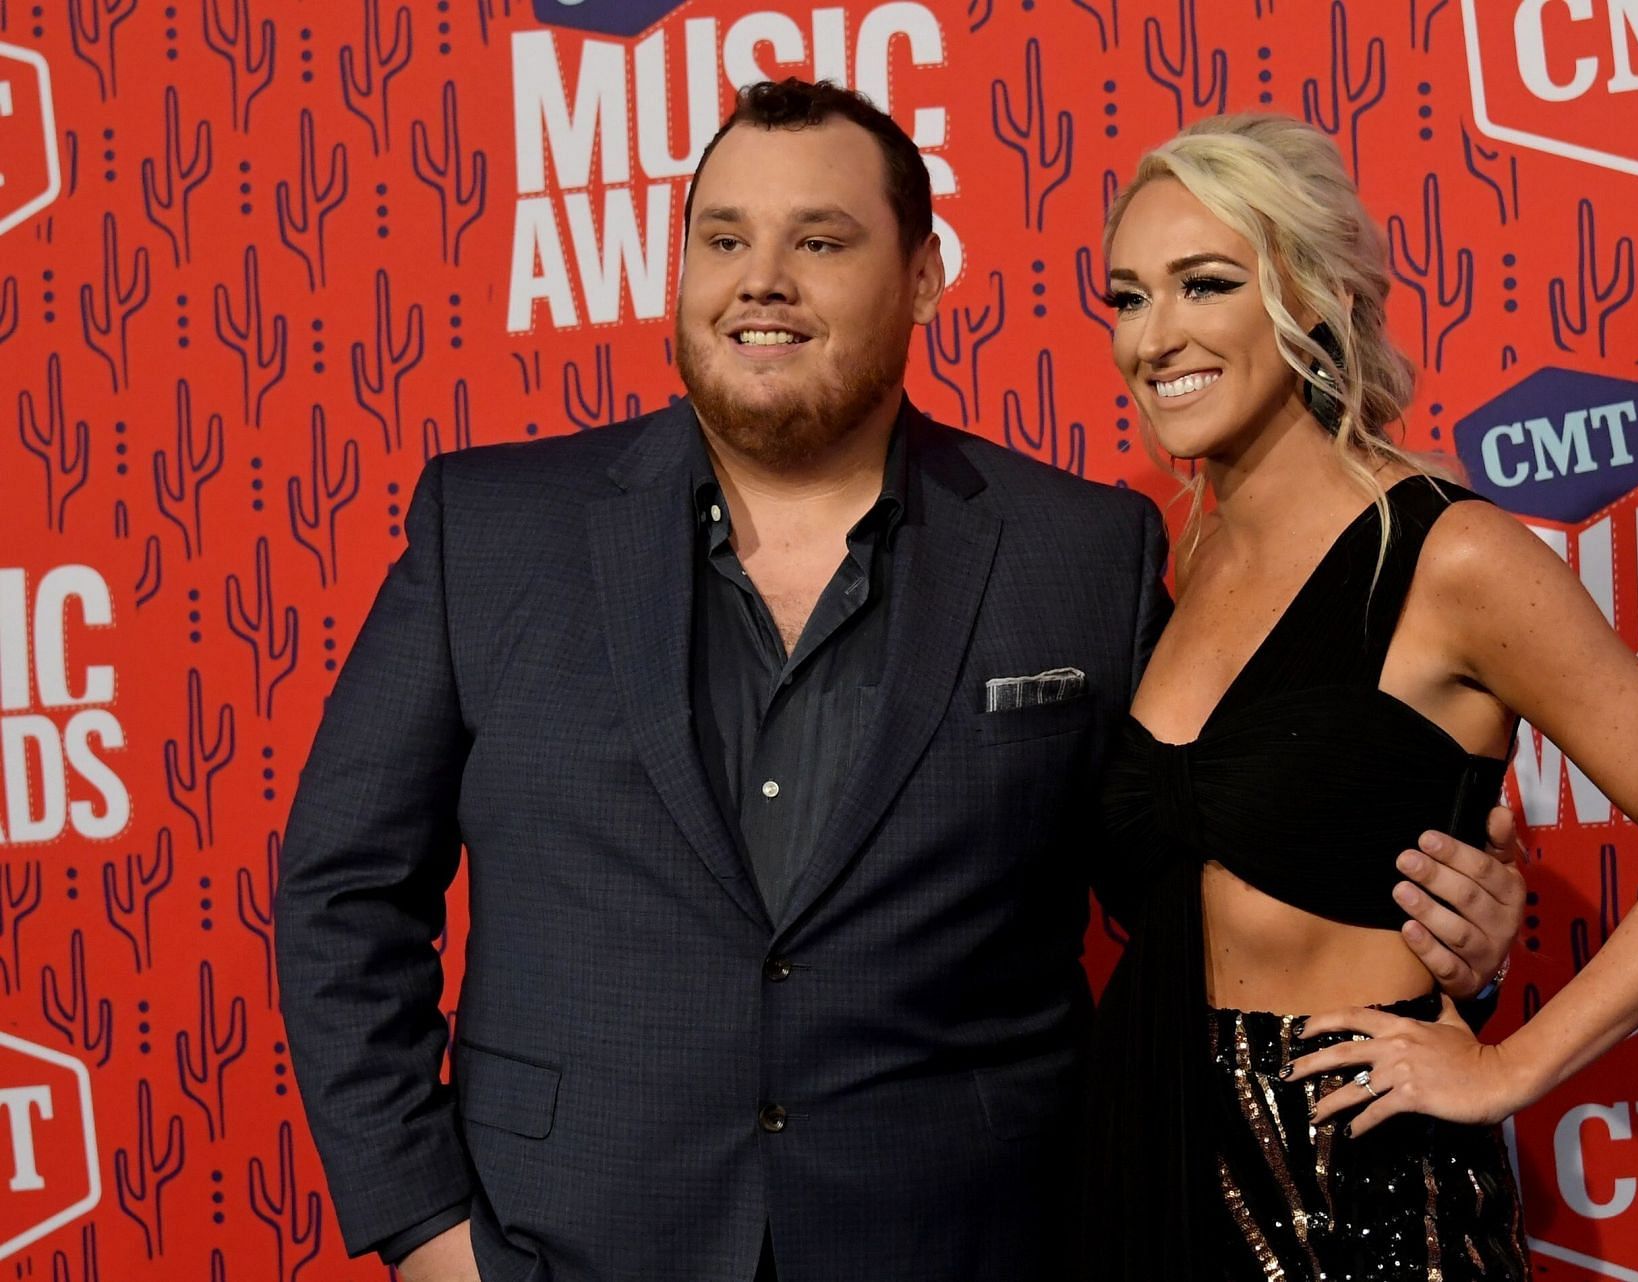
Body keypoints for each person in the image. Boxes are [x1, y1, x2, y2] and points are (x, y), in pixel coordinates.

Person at [276, 82, 1525, 1282]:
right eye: (723, 238)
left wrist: (1430, 921)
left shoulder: (1078, 554)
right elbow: (342, 890)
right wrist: (427, 1230)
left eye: (820, 239)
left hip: (968, 1243)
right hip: (573, 1243)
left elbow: (1196, 860)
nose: (761, 278)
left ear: (924, 277)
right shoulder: (490, 531)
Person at [1084, 112, 1638, 1281]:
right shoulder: (1184, 555)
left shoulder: (1448, 555)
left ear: (1310, 297)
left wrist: (1508, 1066)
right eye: (1127, 297)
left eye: (1204, 284)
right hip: (1150, 1153)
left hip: (1350, 1192)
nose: (1155, 337)